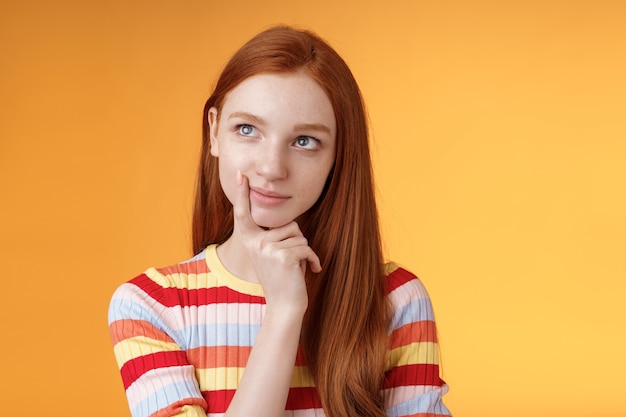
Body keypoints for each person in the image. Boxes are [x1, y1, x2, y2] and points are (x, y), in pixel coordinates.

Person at [109, 25, 452, 417]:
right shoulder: (152, 305)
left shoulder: (395, 300)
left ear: (338, 156)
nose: (272, 168)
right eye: (248, 129)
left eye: (305, 141)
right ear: (214, 132)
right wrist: (284, 312)